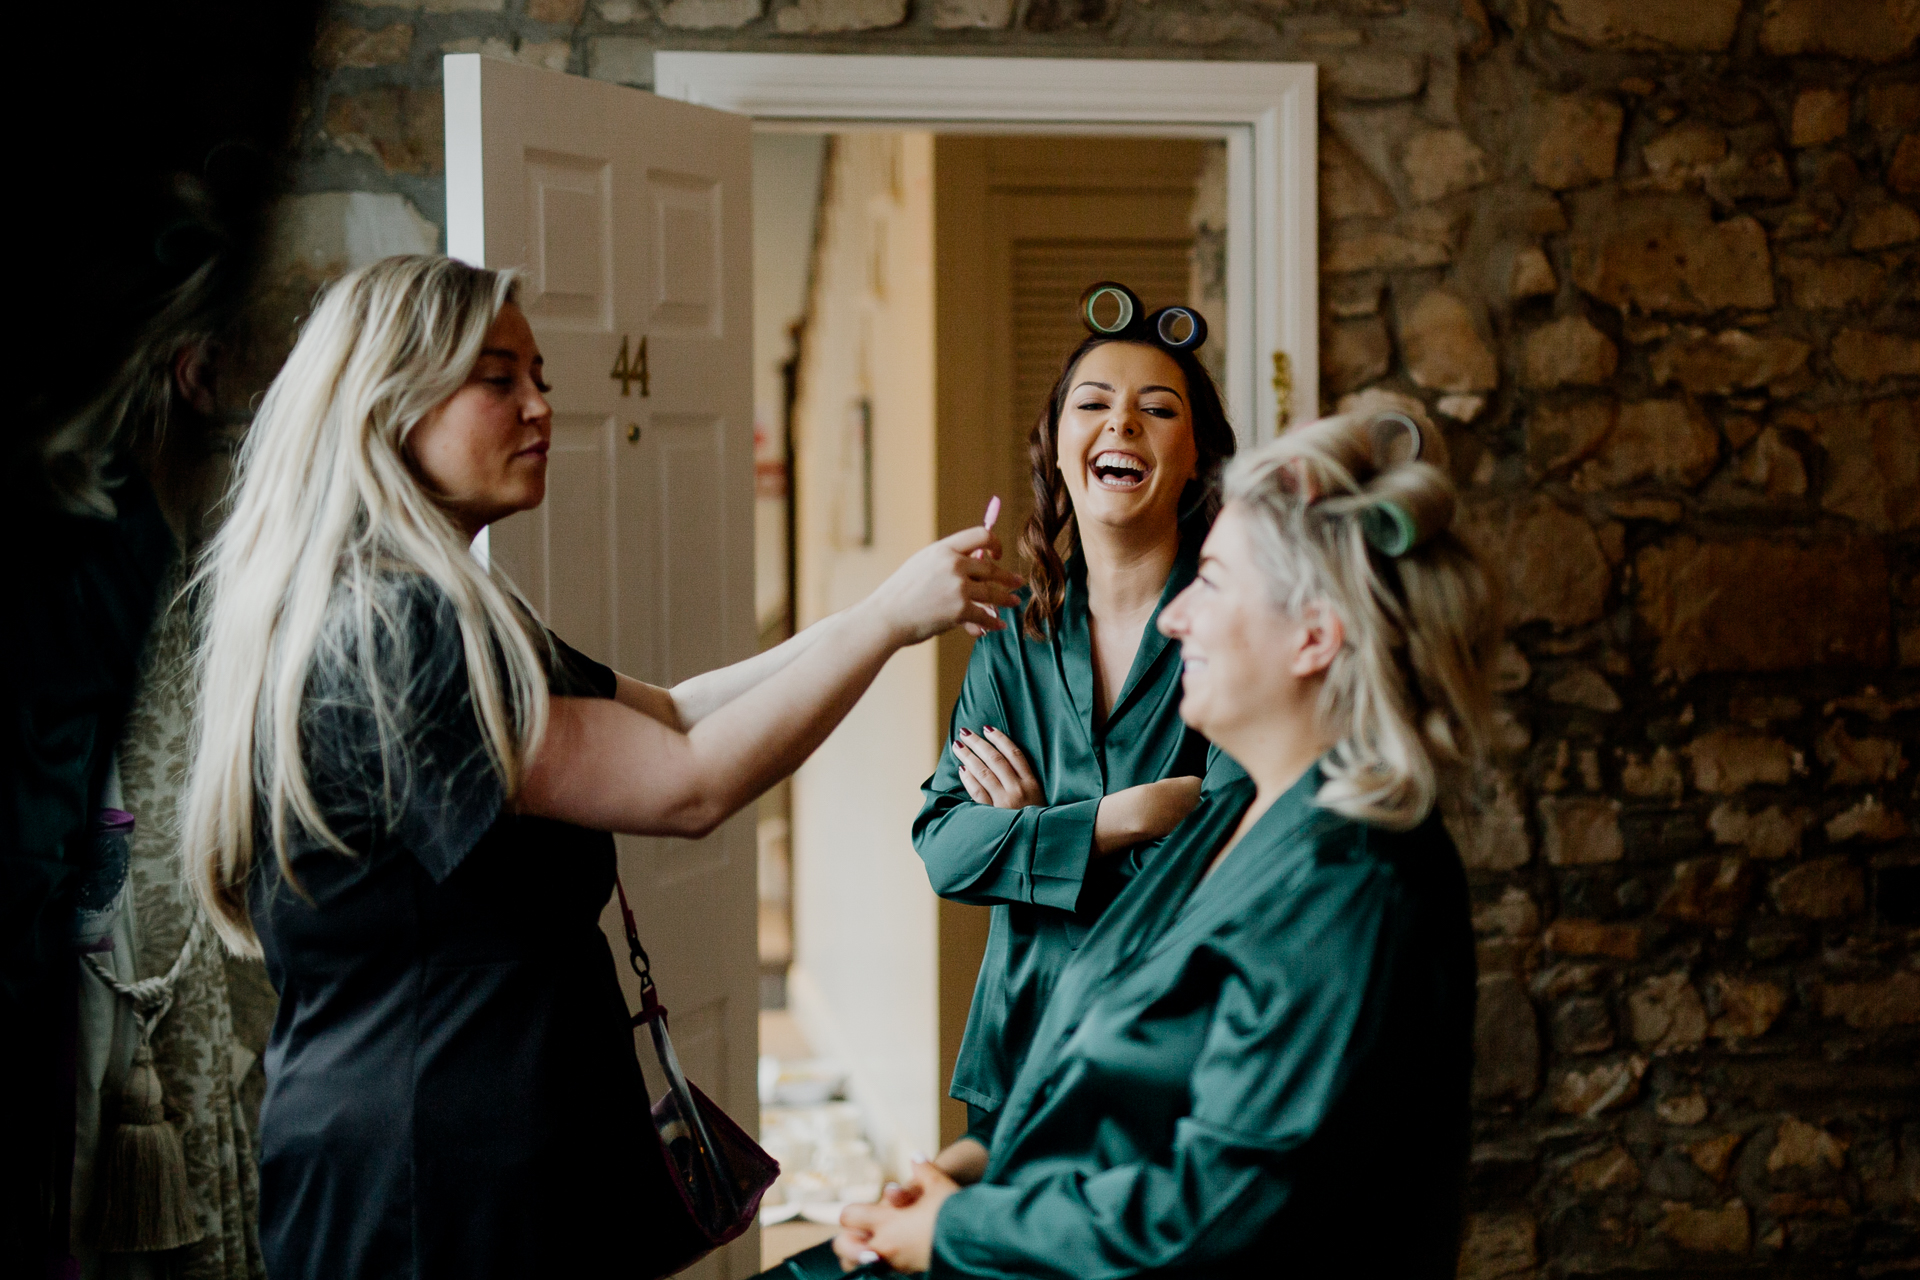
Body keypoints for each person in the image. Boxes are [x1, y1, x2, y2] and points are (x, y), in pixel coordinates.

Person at [178, 255, 1024, 1280]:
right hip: (431, 1171)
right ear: (386, 404)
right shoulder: (400, 627)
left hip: (468, 1136)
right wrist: (889, 624)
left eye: (540, 377)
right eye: (498, 378)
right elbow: (686, 782)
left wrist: (872, 611)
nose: (540, 408)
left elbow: (670, 711)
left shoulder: (427, 603)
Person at [833, 408, 1498, 1278]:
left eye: (1213, 580)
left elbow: (1215, 1217)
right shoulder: (1225, 821)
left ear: (1315, 636)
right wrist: (980, 1163)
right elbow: (1114, 1064)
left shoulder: (1355, 890)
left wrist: (960, 1235)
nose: (1176, 614)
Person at [912, 288, 1239, 1183]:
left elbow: (1233, 852)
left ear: (1196, 455)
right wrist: (1116, 819)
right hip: (1020, 1052)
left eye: (1157, 408)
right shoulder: (1008, 645)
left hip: (1175, 1053)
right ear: (1057, 446)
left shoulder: (1239, 633)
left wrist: (1028, 833)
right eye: (1093, 404)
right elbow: (944, 850)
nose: (1121, 424)